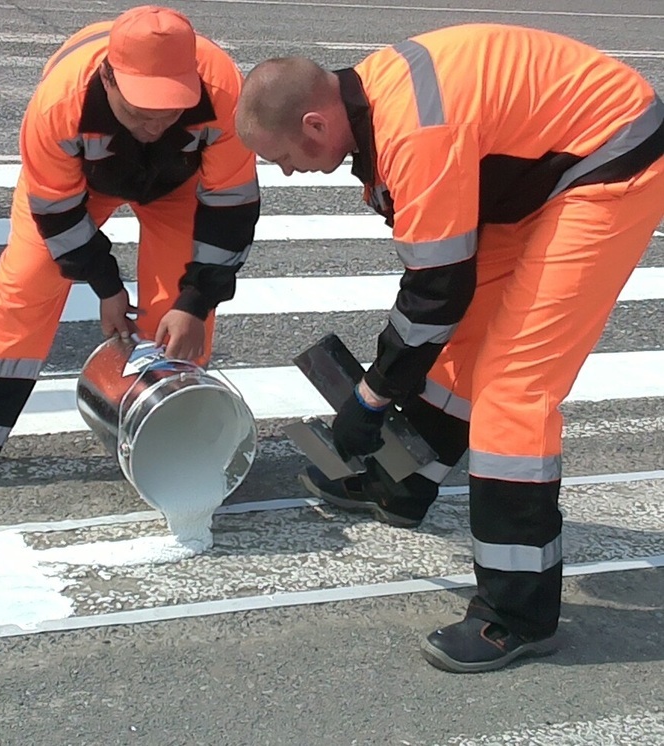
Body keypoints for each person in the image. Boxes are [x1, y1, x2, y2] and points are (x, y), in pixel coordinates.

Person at [235, 24, 664, 673]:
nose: (287, 170)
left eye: (283, 155)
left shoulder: (413, 131)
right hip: (541, 168)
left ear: (317, 125)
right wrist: (379, 392)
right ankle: (401, 483)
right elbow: (445, 302)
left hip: (607, 157)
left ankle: (515, 614)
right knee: (461, 344)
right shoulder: (376, 100)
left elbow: (434, 290)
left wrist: (370, 398)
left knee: (512, 391)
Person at [0, 6, 260, 503]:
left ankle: (171, 436)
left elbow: (231, 208)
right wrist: (107, 286)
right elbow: (57, 213)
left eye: (170, 111)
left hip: (180, 185)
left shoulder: (224, 93)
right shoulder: (59, 106)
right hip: (82, 188)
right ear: (109, 80)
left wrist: (196, 301)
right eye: (139, 112)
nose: (154, 127)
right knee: (26, 286)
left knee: (175, 314)